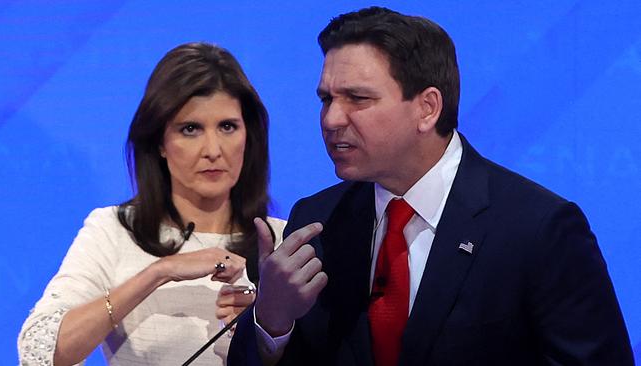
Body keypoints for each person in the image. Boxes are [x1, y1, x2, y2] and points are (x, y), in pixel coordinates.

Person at [228, 6, 634, 366]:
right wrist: (271, 320)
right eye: (326, 99)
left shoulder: (538, 229)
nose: (332, 119)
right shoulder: (317, 220)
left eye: (357, 99)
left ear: (427, 108)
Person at [18, 42, 285, 366]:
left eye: (227, 127)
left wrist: (268, 328)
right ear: (160, 141)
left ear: (248, 135)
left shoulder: (281, 242)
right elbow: (40, 351)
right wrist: (159, 272)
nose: (213, 149)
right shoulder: (114, 231)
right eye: (191, 129)